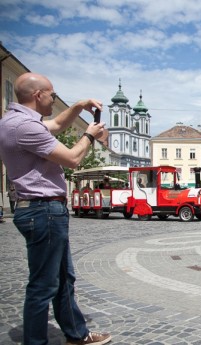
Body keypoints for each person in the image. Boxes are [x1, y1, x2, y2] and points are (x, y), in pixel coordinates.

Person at [0, 72, 111, 345]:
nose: (54, 98)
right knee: (43, 286)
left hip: (44, 210)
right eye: (52, 94)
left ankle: (76, 334)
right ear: (38, 96)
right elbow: (73, 159)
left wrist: (78, 105)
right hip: (43, 211)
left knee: (63, 279)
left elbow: (58, 124)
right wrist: (89, 134)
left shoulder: (15, 121)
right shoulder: (24, 127)